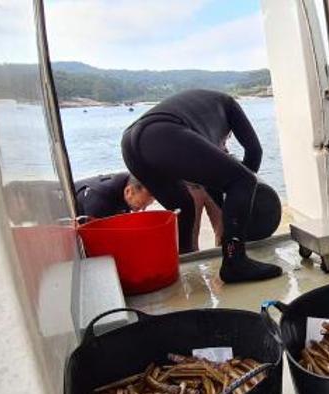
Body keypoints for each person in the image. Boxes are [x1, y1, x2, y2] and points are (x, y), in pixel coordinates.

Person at [121, 89, 282, 283]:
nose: (225, 143)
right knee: (244, 180)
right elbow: (254, 151)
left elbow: (213, 184)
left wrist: (235, 205)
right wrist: (245, 191)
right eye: (228, 138)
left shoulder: (203, 112)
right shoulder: (229, 103)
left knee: (184, 205)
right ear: (229, 132)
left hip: (131, 143)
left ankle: (183, 264)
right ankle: (235, 262)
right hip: (162, 133)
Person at [75, 172, 153, 218]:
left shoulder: (128, 180)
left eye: (145, 206)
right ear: (128, 191)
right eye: (139, 205)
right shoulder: (100, 201)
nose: (143, 210)